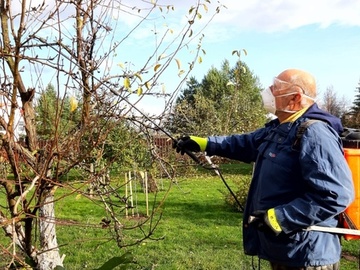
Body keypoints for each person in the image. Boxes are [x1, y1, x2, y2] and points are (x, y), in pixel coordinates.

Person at [174, 69, 354, 270]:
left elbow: (336, 194)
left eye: (276, 88)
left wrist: (280, 217)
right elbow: (244, 143)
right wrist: (203, 143)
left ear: (295, 97)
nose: (268, 91)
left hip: (307, 255)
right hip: (286, 249)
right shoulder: (280, 128)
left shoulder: (315, 133)